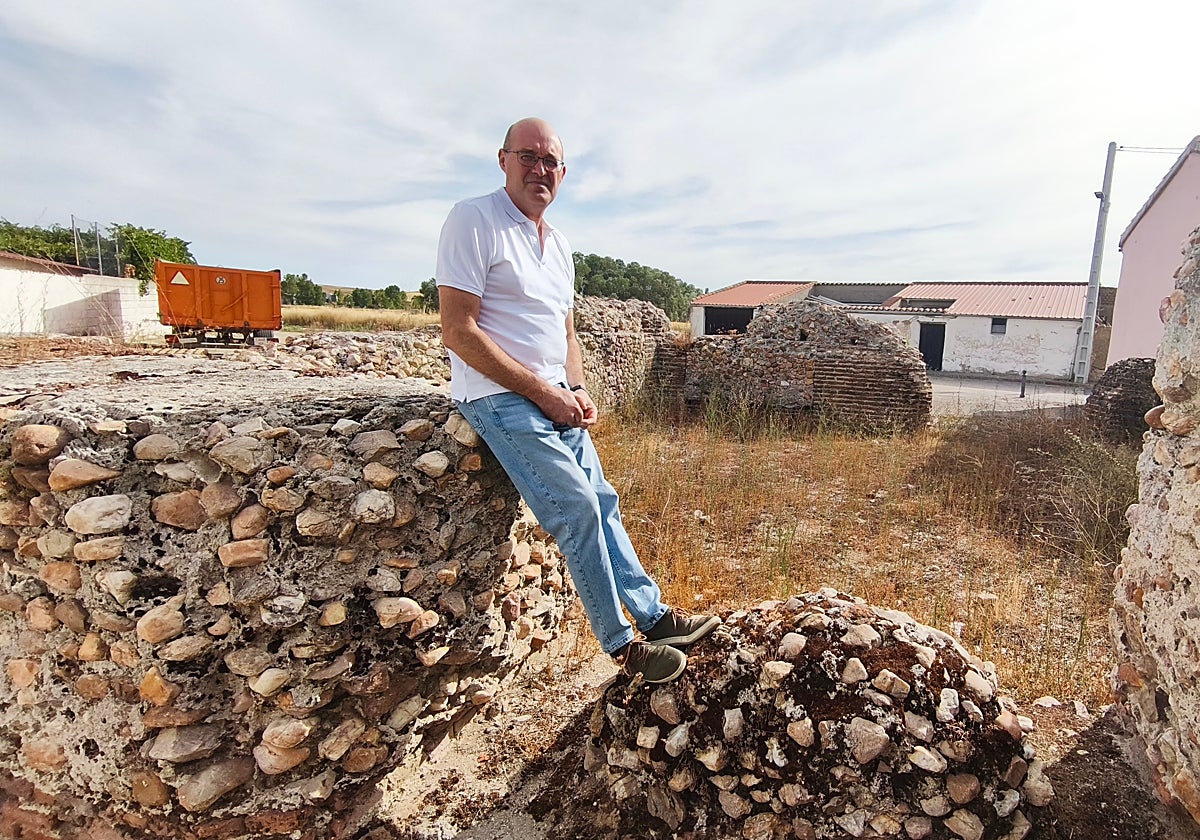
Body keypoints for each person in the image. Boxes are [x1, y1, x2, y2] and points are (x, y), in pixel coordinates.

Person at [436, 117, 718, 683]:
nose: (539, 169)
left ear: (562, 174)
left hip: (552, 395)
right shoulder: (475, 219)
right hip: (498, 395)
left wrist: (577, 387)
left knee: (604, 499)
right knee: (579, 511)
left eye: (551, 162)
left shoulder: (558, 244)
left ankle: (656, 617)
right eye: (529, 157)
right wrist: (542, 390)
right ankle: (622, 646)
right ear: (503, 159)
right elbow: (458, 329)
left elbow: (566, 335)